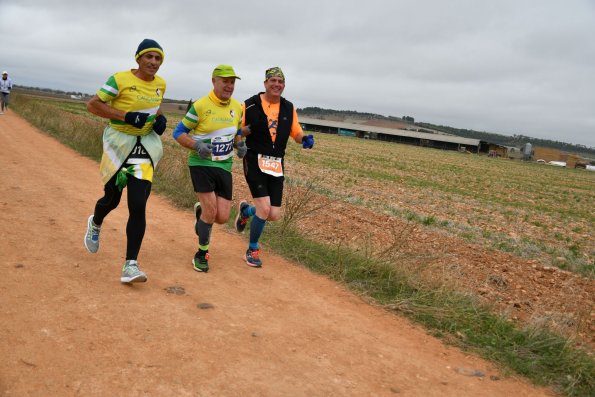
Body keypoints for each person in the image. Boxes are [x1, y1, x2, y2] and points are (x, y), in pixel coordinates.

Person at [83, 39, 168, 284]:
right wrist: (126, 116)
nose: (153, 62)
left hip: (144, 146)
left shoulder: (160, 84)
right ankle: (96, 222)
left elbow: (156, 105)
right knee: (112, 198)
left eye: (158, 58)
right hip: (118, 144)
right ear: (138, 58)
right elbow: (93, 105)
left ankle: (130, 265)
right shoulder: (119, 80)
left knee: (138, 204)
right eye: (149, 57)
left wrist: (160, 119)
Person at [234, 66, 314, 267]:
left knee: (274, 214)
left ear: (283, 85)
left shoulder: (289, 107)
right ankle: (252, 249)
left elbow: (295, 132)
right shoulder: (250, 105)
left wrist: (304, 139)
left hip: (276, 163)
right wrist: (239, 143)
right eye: (273, 81)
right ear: (265, 84)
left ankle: (245, 212)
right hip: (253, 159)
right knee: (264, 208)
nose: (277, 84)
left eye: (280, 81)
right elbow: (238, 132)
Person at [172, 64, 247, 273]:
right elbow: (178, 133)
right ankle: (201, 254)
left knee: (222, 217)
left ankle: (201, 213)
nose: (229, 86)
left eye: (232, 82)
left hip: (224, 165)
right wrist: (197, 145)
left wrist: (240, 144)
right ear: (214, 81)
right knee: (211, 211)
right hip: (201, 164)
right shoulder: (201, 106)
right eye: (225, 81)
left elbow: (237, 132)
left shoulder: (237, 107)